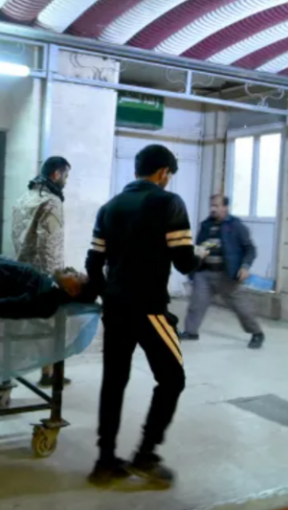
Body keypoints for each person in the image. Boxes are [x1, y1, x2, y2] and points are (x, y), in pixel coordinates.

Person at [85, 144, 206, 489]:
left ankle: (105, 463)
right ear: (163, 172)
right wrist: (199, 254)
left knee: (114, 382)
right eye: (169, 175)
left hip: (115, 309)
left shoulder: (109, 208)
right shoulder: (169, 203)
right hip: (150, 308)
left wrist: (104, 294)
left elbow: (94, 261)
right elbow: (183, 261)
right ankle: (145, 455)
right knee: (172, 379)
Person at [12, 156, 73, 387]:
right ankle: (49, 374)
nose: (66, 181)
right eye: (66, 176)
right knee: (52, 327)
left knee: (25, 326)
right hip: (42, 276)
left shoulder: (24, 197)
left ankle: (12, 374)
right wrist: (55, 280)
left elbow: (17, 237)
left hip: (22, 271)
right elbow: (49, 245)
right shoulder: (51, 202)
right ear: (56, 174)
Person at [180, 195, 265, 349]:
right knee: (196, 304)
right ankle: (191, 332)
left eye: (217, 206)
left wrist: (245, 267)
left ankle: (257, 333)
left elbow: (250, 249)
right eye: (211, 206)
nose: (213, 209)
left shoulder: (236, 226)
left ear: (226, 207)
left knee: (242, 307)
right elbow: (200, 246)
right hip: (204, 273)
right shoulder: (206, 225)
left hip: (226, 275)